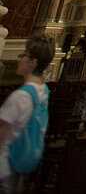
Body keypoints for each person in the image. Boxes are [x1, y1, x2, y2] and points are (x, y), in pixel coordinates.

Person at [0, 34, 55, 191]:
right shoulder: (43, 90)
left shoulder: (21, 97)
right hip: (21, 158)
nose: (19, 59)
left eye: (23, 55)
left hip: (5, 163)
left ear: (33, 63)